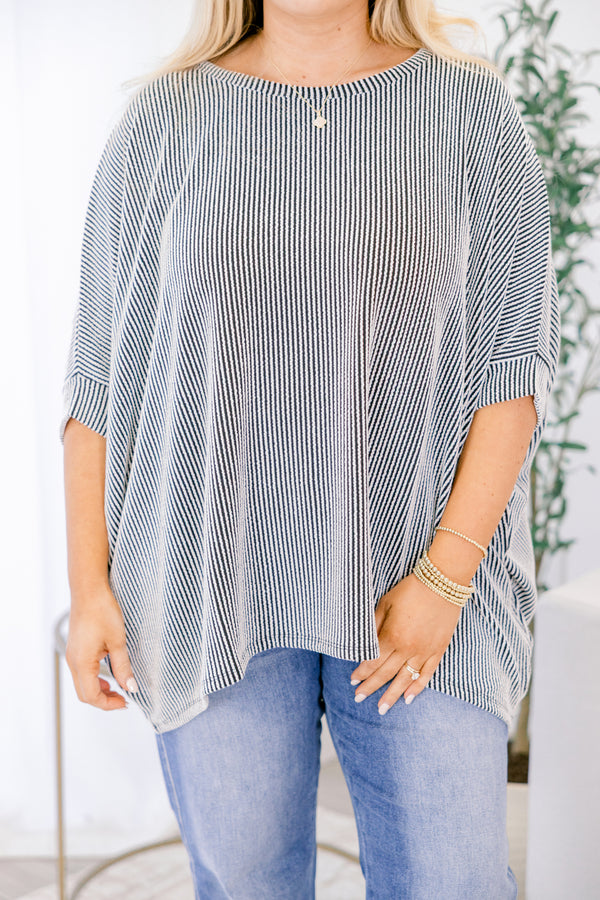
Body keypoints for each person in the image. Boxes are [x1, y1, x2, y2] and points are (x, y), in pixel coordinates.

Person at [60, 0, 561, 897]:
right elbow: (99, 375)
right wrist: (90, 588)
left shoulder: (471, 113)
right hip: (204, 584)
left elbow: (513, 371)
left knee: (453, 883)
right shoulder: (164, 119)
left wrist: (445, 580)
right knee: (246, 885)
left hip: (423, 590)